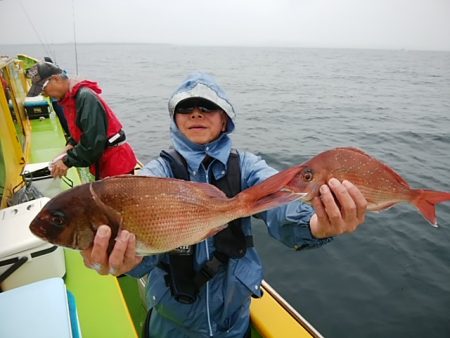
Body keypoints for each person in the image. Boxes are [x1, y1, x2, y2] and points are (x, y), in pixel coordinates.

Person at [81, 72, 367, 337]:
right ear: (175, 119)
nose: (196, 113)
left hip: (235, 323)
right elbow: (141, 246)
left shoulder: (246, 167)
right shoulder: (156, 175)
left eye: (207, 107)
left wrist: (317, 225)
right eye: (186, 107)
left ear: (224, 119)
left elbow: (282, 200)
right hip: (172, 325)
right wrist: (125, 261)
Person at [28, 62, 137, 180]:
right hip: (102, 162)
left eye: (43, 89)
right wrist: (69, 146)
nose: (44, 94)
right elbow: (80, 130)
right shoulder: (69, 99)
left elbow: (93, 143)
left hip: (116, 163)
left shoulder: (85, 97)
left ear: (55, 79)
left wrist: (67, 161)